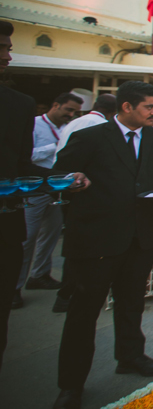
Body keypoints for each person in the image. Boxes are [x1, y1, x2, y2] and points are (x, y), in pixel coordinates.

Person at [53, 81, 153, 409]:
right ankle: (71, 385)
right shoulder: (91, 137)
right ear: (126, 107)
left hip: (139, 237)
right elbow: (60, 176)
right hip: (97, 239)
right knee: (84, 312)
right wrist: (73, 180)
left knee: (131, 302)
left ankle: (130, 356)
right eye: (149, 107)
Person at [12, 92, 83, 309]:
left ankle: (39, 274)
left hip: (55, 188)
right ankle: (14, 287)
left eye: (75, 112)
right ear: (55, 105)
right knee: (28, 237)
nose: (70, 115)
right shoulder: (34, 125)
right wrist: (54, 147)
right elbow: (25, 157)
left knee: (51, 233)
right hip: (34, 187)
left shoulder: (66, 128)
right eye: (68, 110)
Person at [51, 94, 118, 314]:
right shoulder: (97, 126)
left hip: (67, 186)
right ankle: (68, 294)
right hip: (83, 190)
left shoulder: (77, 122)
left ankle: (67, 292)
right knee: (84, 247)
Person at [0, 20, 36, 374]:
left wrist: (66, 178)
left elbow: (22, 164)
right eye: (1, 49)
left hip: (6, 221)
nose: (7, 57)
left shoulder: (18, 104)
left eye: (8, 49)